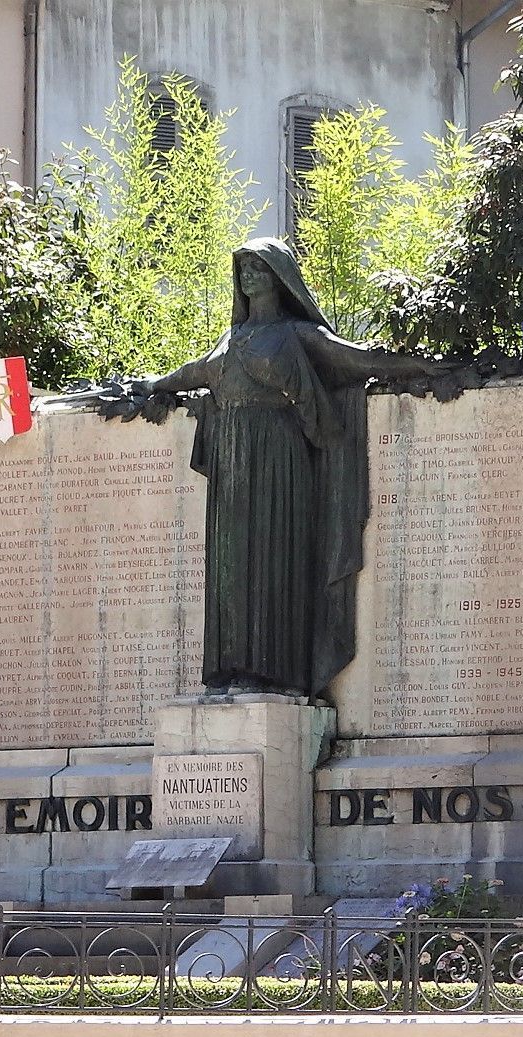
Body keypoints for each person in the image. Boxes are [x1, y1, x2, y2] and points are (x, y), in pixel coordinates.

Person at [133, 237, 452, 697]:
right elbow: (193, 372)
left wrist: (421, 366)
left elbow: (356, 358)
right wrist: (147, 384)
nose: (249, 277)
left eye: (259, 268)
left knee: (272, 556)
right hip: (231, 460)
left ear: (281, 279)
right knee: (231, 563)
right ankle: (231, 667)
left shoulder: (297, 335)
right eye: (243, 269)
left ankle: (275, 670)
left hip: (278, 456)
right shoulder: (232, 338)